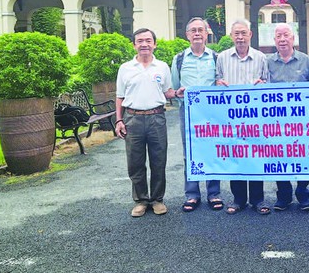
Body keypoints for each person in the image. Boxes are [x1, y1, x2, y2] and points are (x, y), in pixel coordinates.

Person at [115, 28, 175, 217]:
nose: (144, 44)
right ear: (134, 45)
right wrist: (119, 120)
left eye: (148, 41)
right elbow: (119, 96)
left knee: (159, 160)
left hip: (156, 117)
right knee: (135, 162)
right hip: (132, 118)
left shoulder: (162, 67)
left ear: (154, 44)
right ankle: (141, 200)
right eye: (140, 41)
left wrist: (182, 92)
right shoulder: (125, 68)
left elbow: (168, 92)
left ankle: (157, 199)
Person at [216, 19, 269, 215]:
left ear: (250, 34)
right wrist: (218, 85)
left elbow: (268, 85)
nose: (240, 37)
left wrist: (262, 84)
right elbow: (216, 82)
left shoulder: (261, 58)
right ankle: (238, 199)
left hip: (255, 117)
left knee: (255, 156)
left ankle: (258, 199)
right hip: (231, 118)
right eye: (236, 33)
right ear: (231, 36)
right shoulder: (222, 58)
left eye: (243, 33)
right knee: (235, 156)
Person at [171, 17, 223, 213]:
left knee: (212, 151)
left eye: (200, 30)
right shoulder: (179, 59)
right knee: (189, 153)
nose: (197, 33)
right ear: (187, 35)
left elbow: (220, 83)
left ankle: (213, 193)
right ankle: (192, 194)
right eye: (193, 30)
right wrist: (178, 94)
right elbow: (175, 88)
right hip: (189, 111)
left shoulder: (216, 57)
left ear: (206, 33)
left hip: (211, 113)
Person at [266, 23, 309, 211]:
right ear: (275, 40)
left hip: (302, 121)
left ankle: (303, 194)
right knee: (279, 157)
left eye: (286, 35)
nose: (283, 39)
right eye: (279, 36)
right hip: (277, 122)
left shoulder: (306, 61)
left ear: (293, 38)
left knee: (303, 156)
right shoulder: (267, 61)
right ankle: (283, 195)